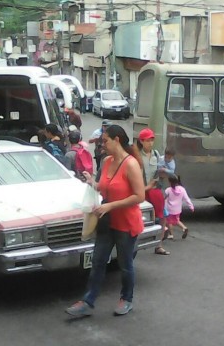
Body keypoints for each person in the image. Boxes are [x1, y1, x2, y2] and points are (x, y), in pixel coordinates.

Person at [65, 124, 145, 318]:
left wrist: (110, 205)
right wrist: (91, 182)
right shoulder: (107, 161)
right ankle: (87, 301)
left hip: (126, 223)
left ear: (117, 140)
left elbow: (139, 196)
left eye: (105, 141)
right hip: (107, 221)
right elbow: (103, 187)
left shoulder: (131, 164)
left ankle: (126, 298)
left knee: (125, 265)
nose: (102, 145)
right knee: (98, 261)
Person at [137, 127, 169, 255]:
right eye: (147, 140)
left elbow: (159, 171)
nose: (150, 143)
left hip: (155, 189)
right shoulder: (137, 155)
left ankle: (159, 245)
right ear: (141, 141)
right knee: (140, 218)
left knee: (162, 217)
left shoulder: (156, 154)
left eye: (152, 140)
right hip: (142, 190)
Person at [164, 174, 194, 240]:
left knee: (169, 222)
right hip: (178, 209)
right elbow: (187, 198)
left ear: (169, 182)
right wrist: (191, 206)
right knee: (176, 220)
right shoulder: (182, 189)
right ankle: (184, 228)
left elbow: (164, 198)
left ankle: (171, 234)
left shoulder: (168, 190)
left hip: (170, 209)